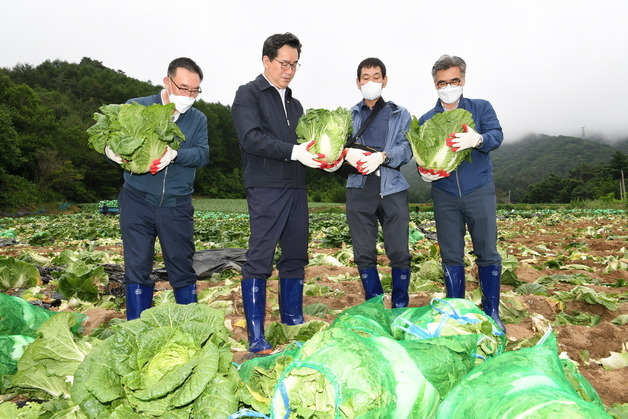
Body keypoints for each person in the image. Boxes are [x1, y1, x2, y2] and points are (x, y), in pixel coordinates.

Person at [231, 33, 325, 354]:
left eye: (295, 64)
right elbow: (251, 138)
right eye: (283, 63)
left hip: (296, 186)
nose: (289, 70)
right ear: (266, 61)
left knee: (296, 255)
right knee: (260, 257)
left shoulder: (295, 104)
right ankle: (256, 333)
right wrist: (294, 152)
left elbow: (304, 145)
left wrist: (320, 154)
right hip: (266, 186)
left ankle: (292, 320)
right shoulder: (249, 94)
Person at [105, 57, 209, 320]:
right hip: (137, 200)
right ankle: (137, 328)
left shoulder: (197, 119)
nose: (189, 96)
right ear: (167, 81)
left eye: (194, 91)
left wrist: (175, 154)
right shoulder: (136, 108)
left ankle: (189, 326)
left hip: (177, 204)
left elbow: (202, 154)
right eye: (183, 88)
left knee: (182, 266)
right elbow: (114, 138)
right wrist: (111, 150)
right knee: (137, 266)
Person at [417, 54, 505, 331]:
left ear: (463, 80)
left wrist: (477, 139)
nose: (448, 86)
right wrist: (423, 171)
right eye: (442, 82)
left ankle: (491, 312)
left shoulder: (480, 108)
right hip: (444, 194)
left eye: (454, 80)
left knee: (487, 251)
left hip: (478, 189)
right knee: (451, 253)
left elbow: (496, 136)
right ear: (435, 85)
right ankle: (455, 311)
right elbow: (421, 155)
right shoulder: (427, 119)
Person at [331, 57, 413, 308]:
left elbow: (407, 148)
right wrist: (346, 154)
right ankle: (374, 304)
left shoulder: (400, 114)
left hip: (392, 187)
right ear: (358, 83)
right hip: (359, 187)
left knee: (399, 250)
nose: (371, 82)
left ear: (384, 81)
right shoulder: (347, 116)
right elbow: (334, 150)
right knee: (364, 252)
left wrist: (383, 156)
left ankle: (400, 305)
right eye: (365, 78)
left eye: (376, 77)